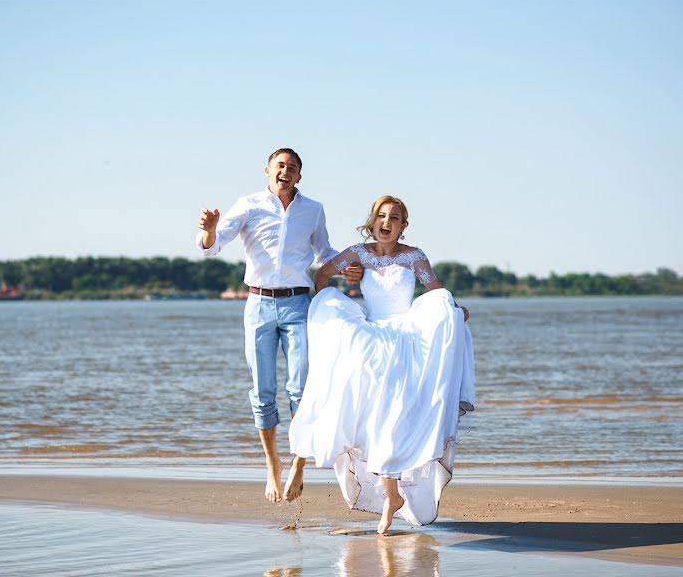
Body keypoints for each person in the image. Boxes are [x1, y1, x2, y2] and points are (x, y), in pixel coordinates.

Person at [287, 195, 475, 534]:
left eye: (396, 217)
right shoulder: (358, 253)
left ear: (403, 226)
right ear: (373, 221)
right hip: (373, 335)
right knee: (368, 410)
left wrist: (455, 310)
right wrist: (346, 281)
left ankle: (393, 494)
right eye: (382, 216)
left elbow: (435, 291)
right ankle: (388, 493)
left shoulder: (414, 256)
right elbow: (321, 278)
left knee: (394, 414)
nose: (387, 222)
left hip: (405, 338)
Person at [197, 147, 362, 504]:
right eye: (280, 166)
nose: (285, 171)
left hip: (298, 304)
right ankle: (272, 467)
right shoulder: (248, 205)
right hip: (257, 305)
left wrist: (347, 265)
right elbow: (212, 246)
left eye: (292, 168)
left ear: (299, 176)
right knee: (263, 391)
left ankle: (299, 464)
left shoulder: (313, 210)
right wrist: (210, 231)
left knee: (301, 389)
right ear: (267, 171)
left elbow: (324, 252)